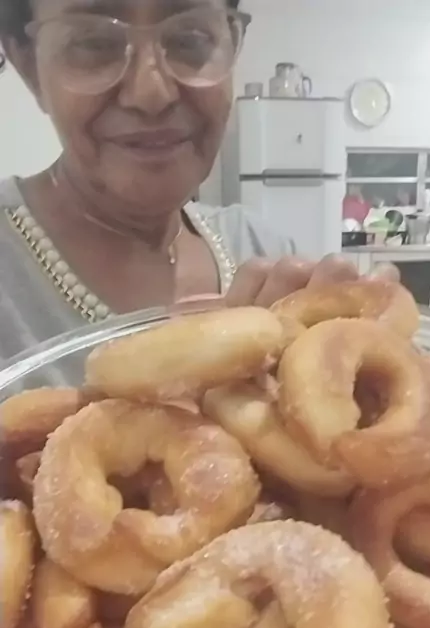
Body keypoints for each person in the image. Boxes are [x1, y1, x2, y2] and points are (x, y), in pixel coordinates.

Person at [0, 0, 359, 365]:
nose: (151, 93)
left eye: (191, 38)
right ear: (30, 69)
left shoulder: (268, 254)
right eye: (93, 43)